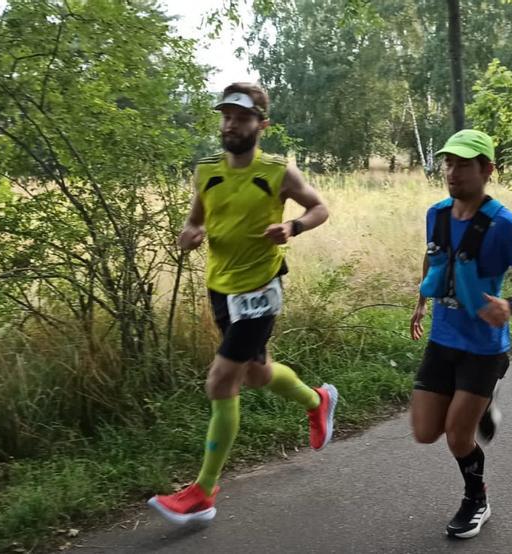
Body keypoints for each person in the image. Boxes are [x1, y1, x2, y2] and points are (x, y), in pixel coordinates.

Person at [148, 82, 338, 526]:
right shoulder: (207, 171)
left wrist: (293, 227)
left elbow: (320, 208)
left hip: (261, 289)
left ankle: (203, 492)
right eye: (226, 116)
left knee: (221, 381)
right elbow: (195, 220)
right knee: (256, 373)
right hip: (221, 288)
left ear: (261, 125)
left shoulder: (277, 171)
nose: (231, 124)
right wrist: (189, 234)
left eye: (241, 117)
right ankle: (317, 401)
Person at [409, 129, 512, 539]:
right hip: (443, 341)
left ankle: (476, 499)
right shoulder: (435, 214)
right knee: (424, 432)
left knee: (458, 437)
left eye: (464, 164)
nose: (453, 172)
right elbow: (434, 257)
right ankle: (483, 402)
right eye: (448, 163)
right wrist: (421, 300)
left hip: (483, 348)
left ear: (487, 169)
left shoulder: (503, 225)